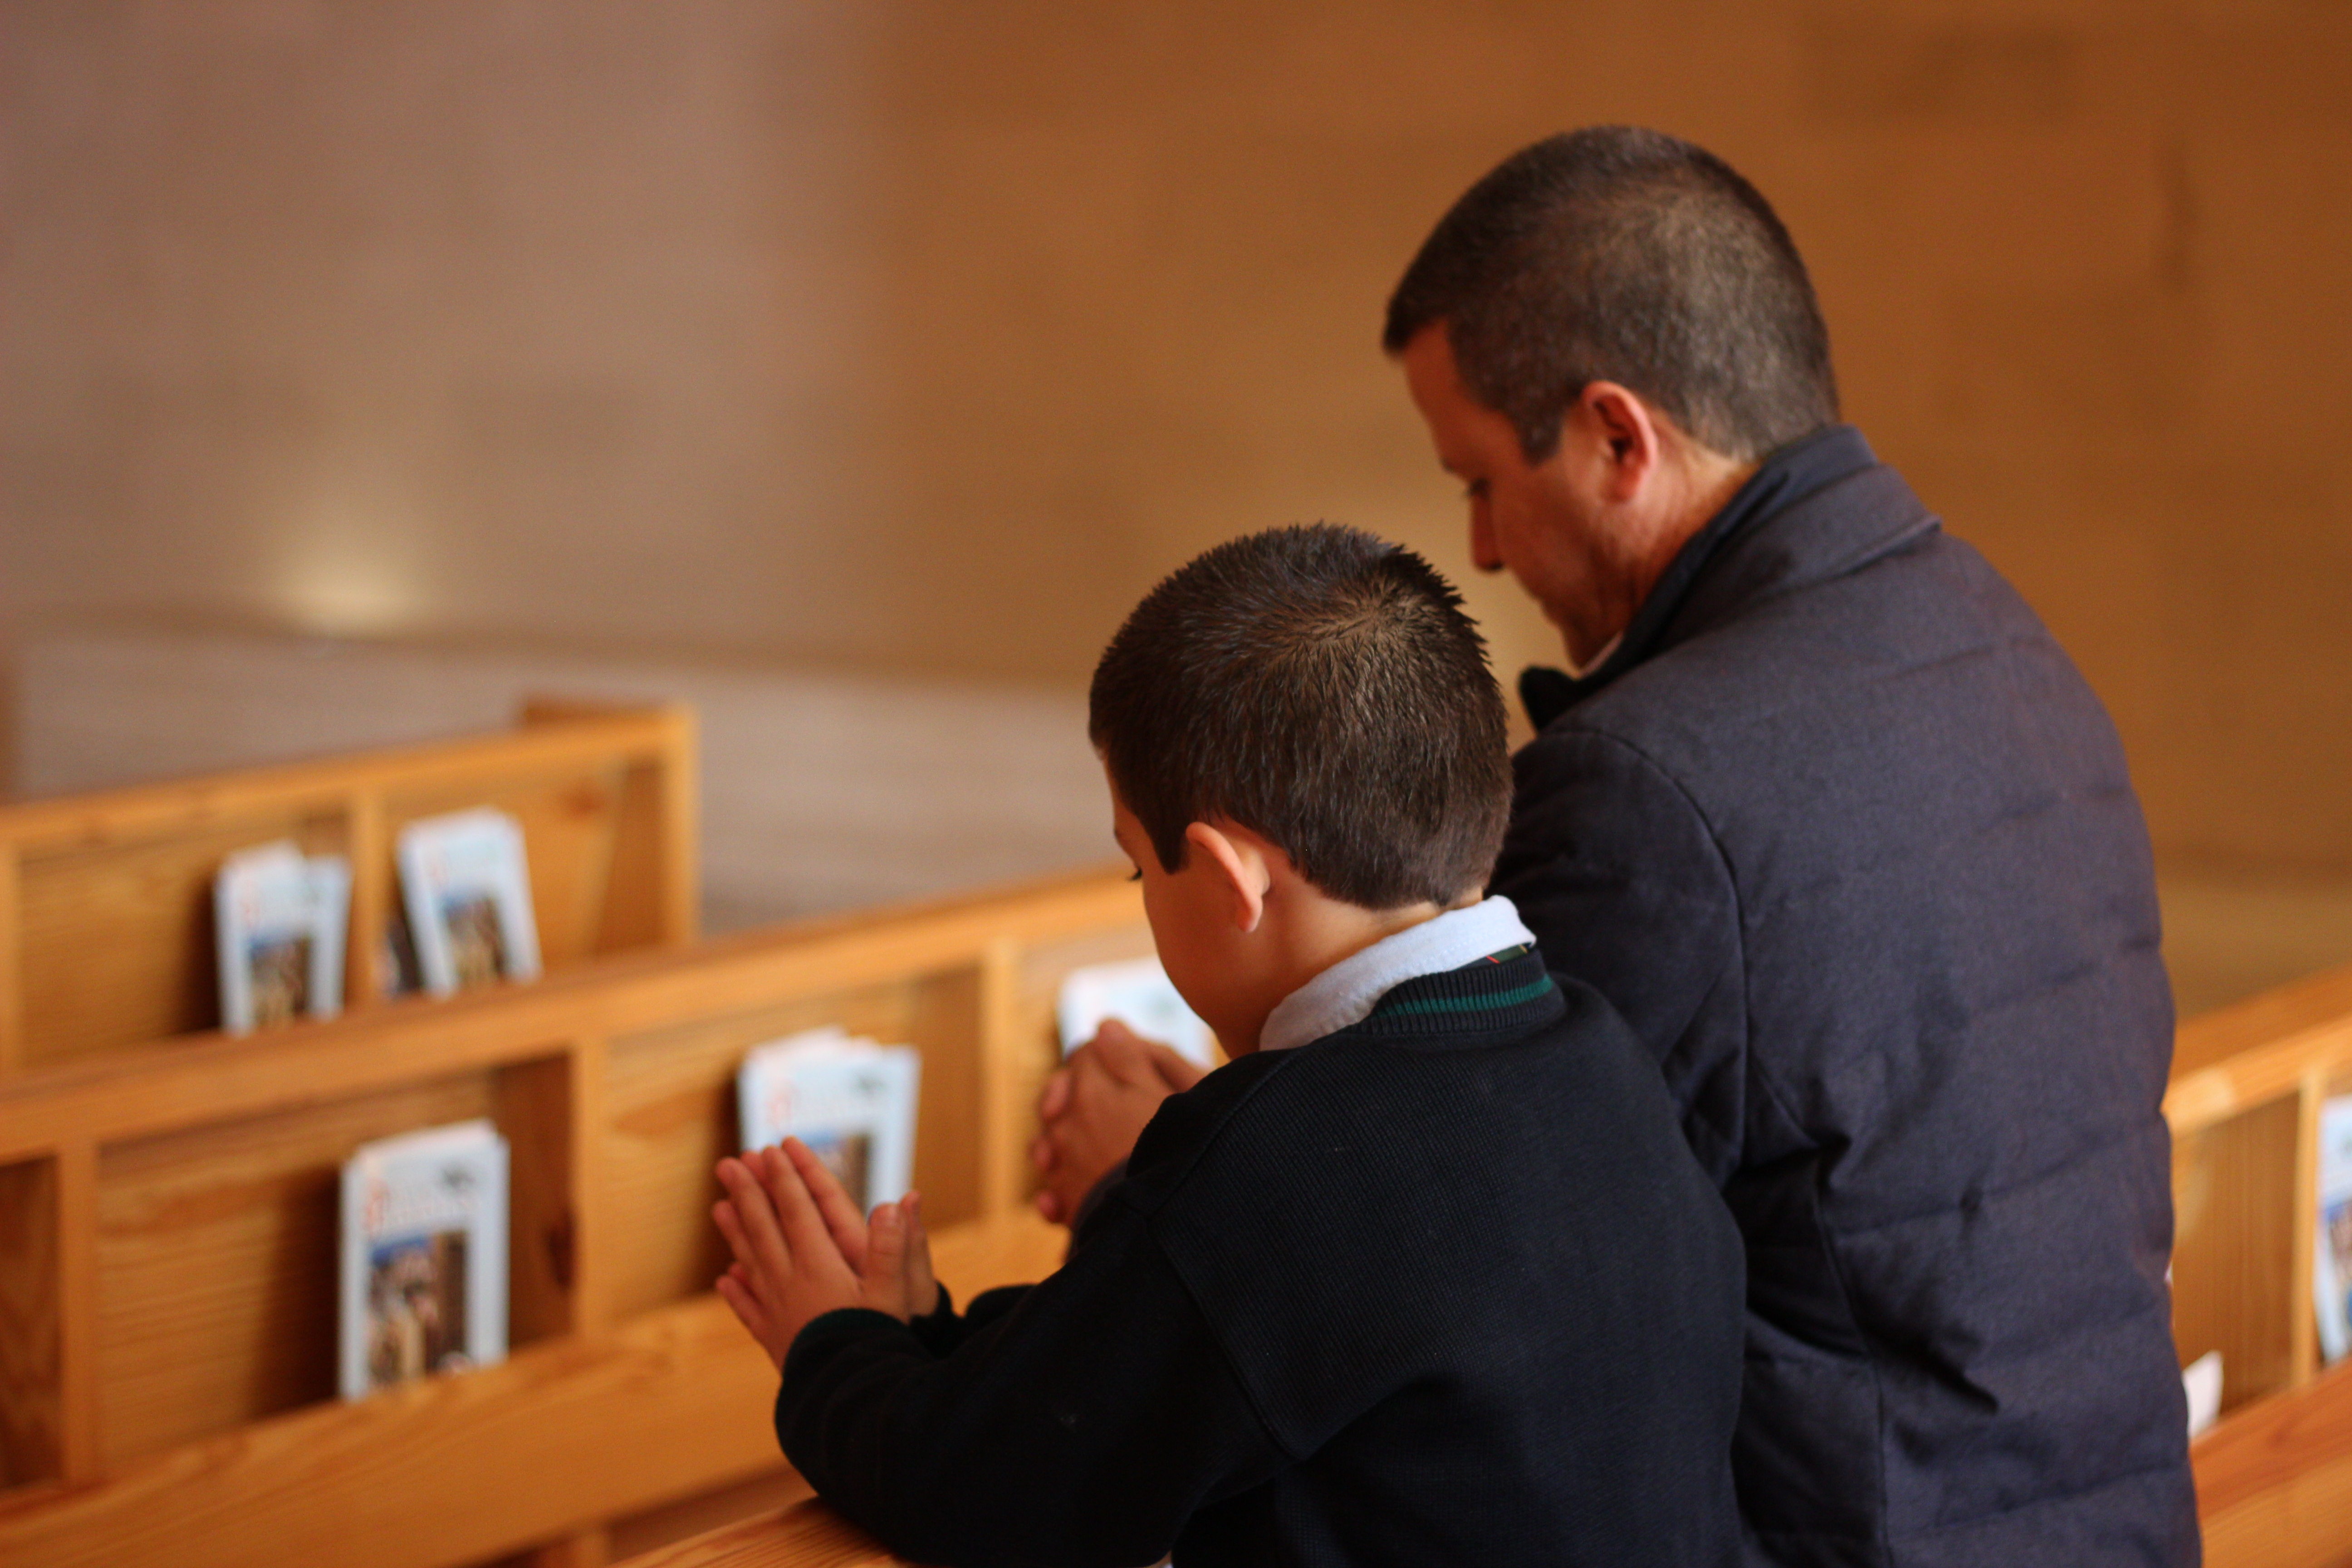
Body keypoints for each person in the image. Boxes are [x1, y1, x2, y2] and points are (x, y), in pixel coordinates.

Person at [1035, 130, 2198, 1565]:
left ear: (1616, 438)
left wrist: (1155, 1191)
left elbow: (1478, 1272)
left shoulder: (1650, 793)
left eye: (1475, 479)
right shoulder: (2012, 649)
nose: (1480, 552)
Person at [711, 524, 1747, 1567]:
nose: (1143, 903)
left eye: (1139, 873)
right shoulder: (1597, 1051)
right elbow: (1142, 1374)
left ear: (1228, 879)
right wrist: (928, 1341)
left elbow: (983, 1498)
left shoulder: (1287, 1156)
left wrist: (829, 1346)